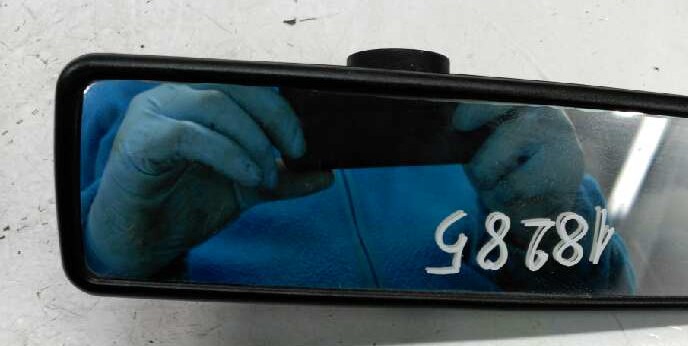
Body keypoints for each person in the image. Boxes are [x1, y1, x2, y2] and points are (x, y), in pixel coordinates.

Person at [80, 81, 636, 294]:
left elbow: (609, 303)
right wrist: (120, 257)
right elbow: (66, 325)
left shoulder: (490, 102)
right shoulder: (126, 106)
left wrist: (549, 222)